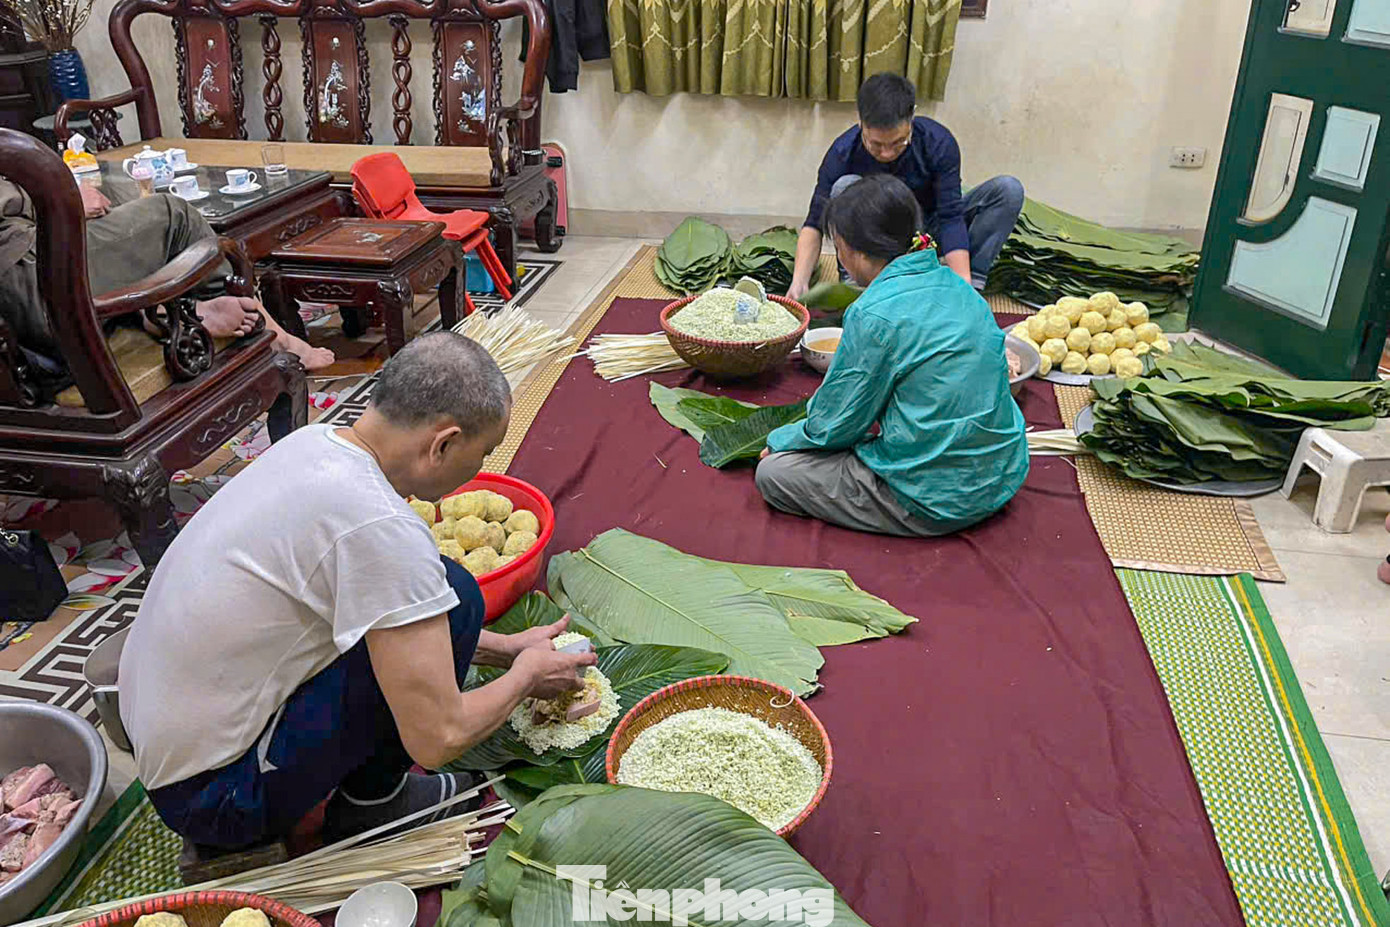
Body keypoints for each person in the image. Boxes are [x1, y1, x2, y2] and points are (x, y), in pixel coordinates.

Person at [118, 332, 595, 852]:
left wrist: (507, 650)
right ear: (443, 443)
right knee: (438, 593)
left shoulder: (313, 444)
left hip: (174, 757)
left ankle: (360, 789)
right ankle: (373, 805)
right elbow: (439, 740)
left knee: (450, 591)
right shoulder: (380, 528)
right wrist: (527, 678)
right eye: (483, 452)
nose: (481, 468)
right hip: (217, 797)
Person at [757, 175, 1029, 537]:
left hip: (936, 501)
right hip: (1001, 476)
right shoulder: (960, 287)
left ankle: (911, 505)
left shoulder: (872, 313)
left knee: (775, 473)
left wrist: (780, 441)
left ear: (852, 249)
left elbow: (835, 425)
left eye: (837, 246)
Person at [0, 176, 334, 373]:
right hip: (27, 276)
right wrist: (58, 201)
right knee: (172, 214)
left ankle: (164, 312)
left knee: (117, 195)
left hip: (25, 264)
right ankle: (259, 329)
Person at [788, 72, 1025, 296]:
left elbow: (951, 216)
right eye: (876, 145)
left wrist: (962, 286)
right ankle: (857, 286)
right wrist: (799, 282)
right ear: (861, 123)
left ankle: (973, 284)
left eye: (899, 142)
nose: (887, 152)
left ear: (912, 117)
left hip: (927, 233)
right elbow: (815, 223)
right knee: (843, 188)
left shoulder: (938, 142)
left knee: (1008, 190)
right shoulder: (843, 152)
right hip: (880, 242)